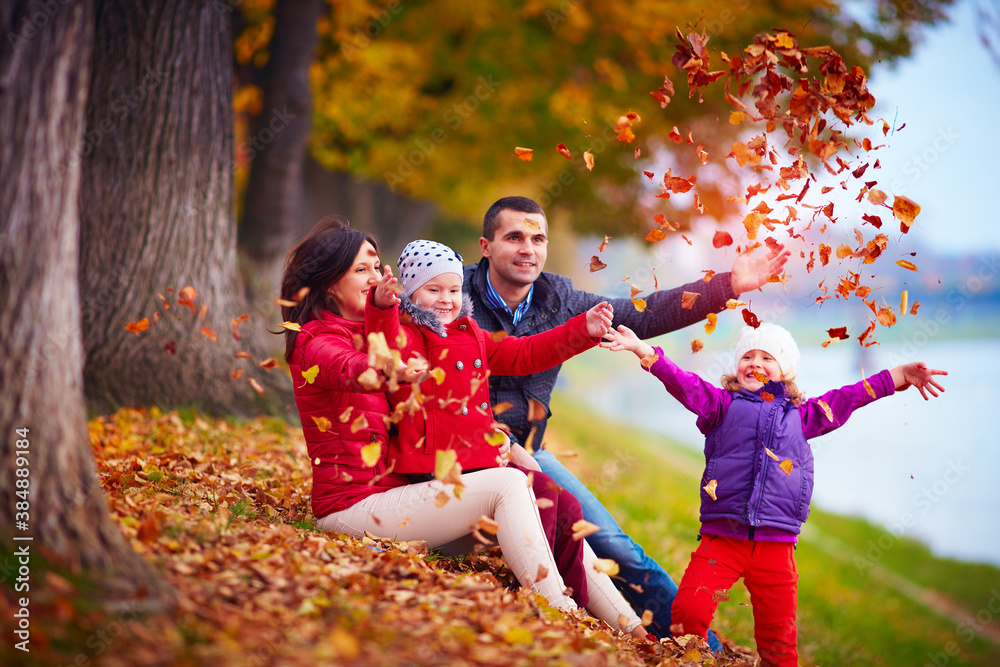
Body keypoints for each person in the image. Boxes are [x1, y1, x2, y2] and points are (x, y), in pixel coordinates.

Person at [278, 216, 644, 638]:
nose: (376, 277)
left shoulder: (407, 330)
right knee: (509, 485)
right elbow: (351, 368)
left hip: (403, 497)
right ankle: (559, 615)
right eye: (362, 269)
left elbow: (510, 361)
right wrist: (388, 366)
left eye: (377, 266)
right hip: (354, 507)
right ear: (327, 283)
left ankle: (629, 626)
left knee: (546, 495)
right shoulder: (316, 340)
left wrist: (581, 332)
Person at [463, 195, 791, 644]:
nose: (529, 248)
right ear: (486, 245)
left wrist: (729, 284)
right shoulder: (454, 295)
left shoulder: (559, 298)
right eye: (514, 237)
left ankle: (700, 649)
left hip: (532, 450)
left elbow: (646, 313)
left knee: (618, 548)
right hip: (466, 449)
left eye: (538, 238)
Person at [602, 320, 948, 665]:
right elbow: (683, 383)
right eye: (747, 356)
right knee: (687, 612)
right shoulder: (720, 406)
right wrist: (643, 351)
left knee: (779, 643)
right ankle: (690, 659)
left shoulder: (804, 416)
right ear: (737, 367)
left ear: (783, 371)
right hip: (723, 538)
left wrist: (899, 375)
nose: (755, 362)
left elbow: (850, 397)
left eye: (767, 357)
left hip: (776, 547)